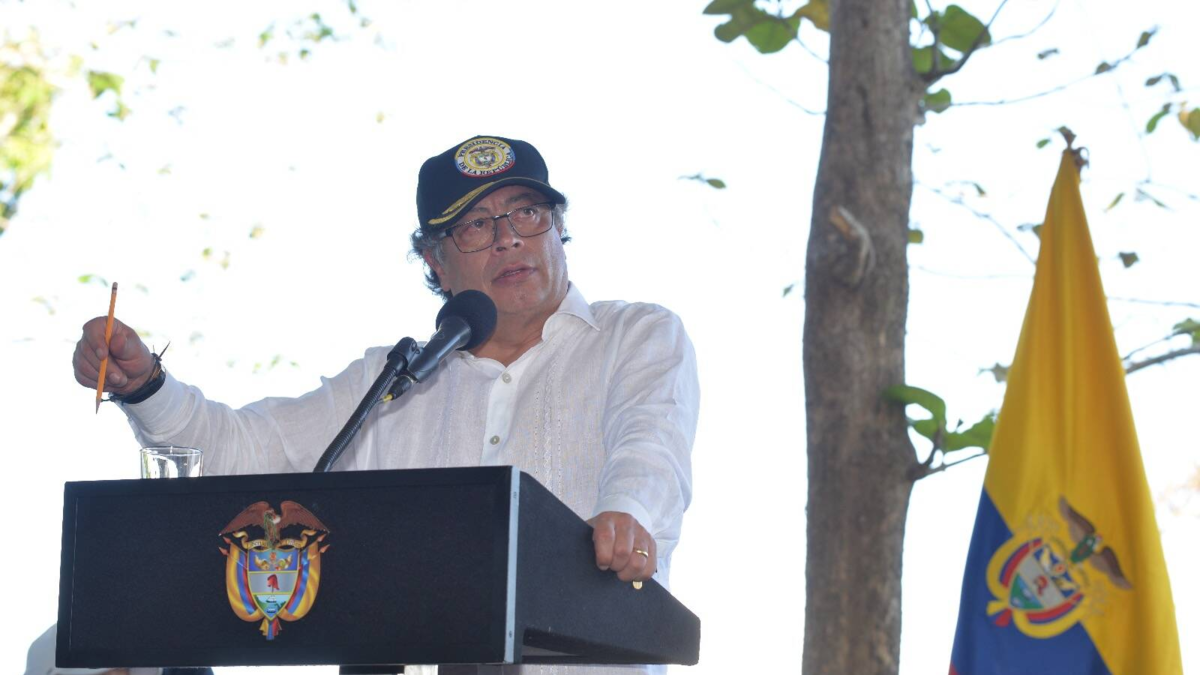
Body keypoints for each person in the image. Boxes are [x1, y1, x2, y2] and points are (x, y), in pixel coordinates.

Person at [72, 135, 700, 675]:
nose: (509, 238)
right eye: (476, 225)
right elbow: (246, 451)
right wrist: (146, 386)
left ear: (559, 228)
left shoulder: (636, 335)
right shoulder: (391, 380)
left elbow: (650, 446)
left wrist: (628, 512)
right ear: (436, 261)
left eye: (527, 213)